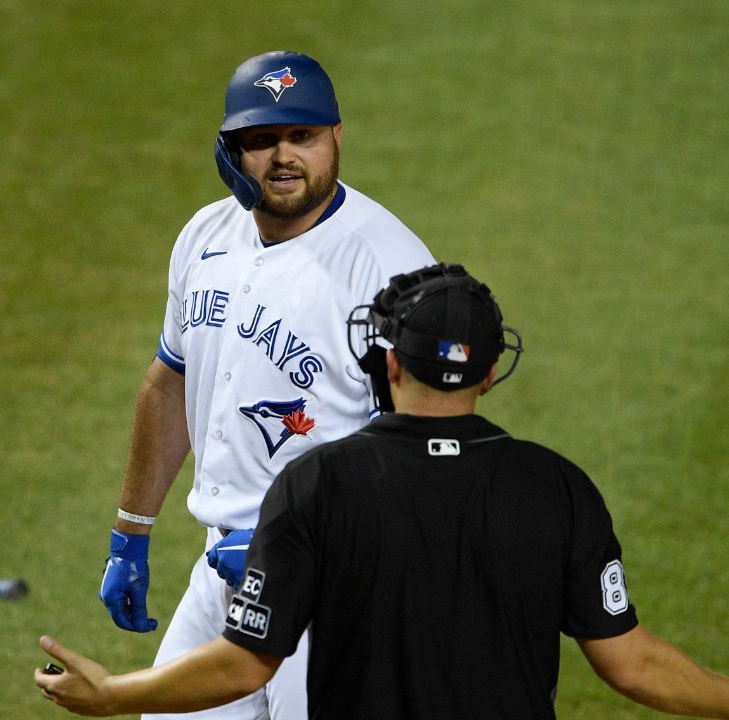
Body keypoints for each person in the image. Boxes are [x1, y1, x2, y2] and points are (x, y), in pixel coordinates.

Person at [37, 262, 729, 720]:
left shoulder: (318, 485)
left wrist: (113, 692)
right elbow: (633, 664)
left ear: (390, 364)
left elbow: (245, 666)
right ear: (486, 372)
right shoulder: (558, 487)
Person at [94, 50, 435, 720]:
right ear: (230, 153)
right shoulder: (203, 237)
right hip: (221, 577)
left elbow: (417, 449)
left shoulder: (392, 269)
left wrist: (301, 536)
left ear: (336, 137)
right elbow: (170, 383)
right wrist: (130, 532)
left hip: (336, 593)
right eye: (262, 141)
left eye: (303, 137)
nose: (285, 157)